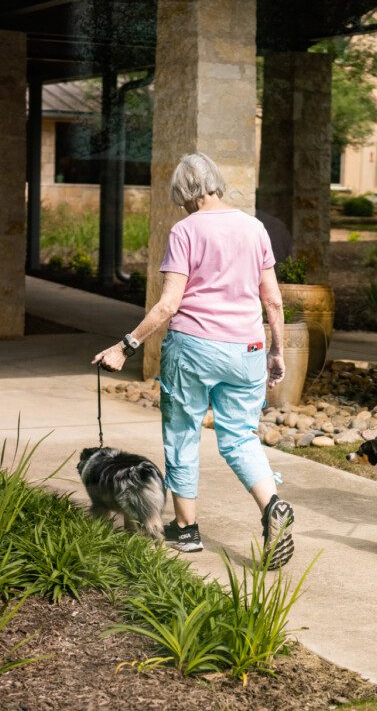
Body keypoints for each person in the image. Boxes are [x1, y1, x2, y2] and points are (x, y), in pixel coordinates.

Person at [92, 152, 296, 570]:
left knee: (183, 434)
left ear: (186, 192)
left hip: (195, 347)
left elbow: (169, 305)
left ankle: (186, 530)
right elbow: (272, 299)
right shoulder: (254, 228)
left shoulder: (185, 230)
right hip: (247, 349)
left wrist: (125, 345)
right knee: (240, 437)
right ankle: (272, 504)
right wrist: (276, 350)